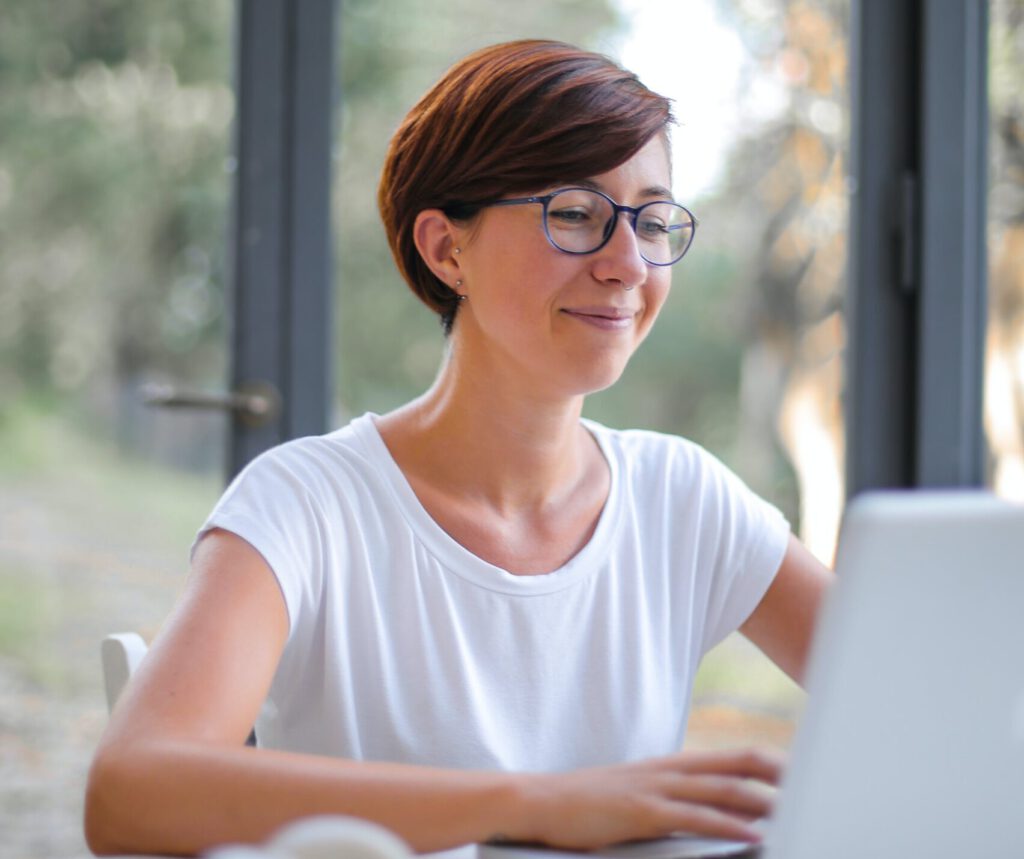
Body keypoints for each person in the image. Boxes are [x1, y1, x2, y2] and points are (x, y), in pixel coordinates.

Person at [84, 39, 831, 857]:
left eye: (652, 222)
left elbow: (921, 691)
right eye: (576, 214)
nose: (628, 265)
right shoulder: (307, 502)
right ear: (447, 249)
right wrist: (535, 803)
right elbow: (131, 791)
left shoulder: (684, 497)